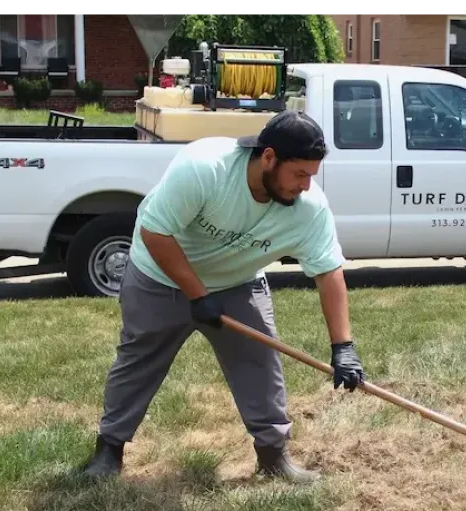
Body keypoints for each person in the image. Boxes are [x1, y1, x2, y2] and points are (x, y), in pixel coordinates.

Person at [80, 110, 366, 483]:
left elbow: (328, 272)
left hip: (236, 283)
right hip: (158, 274)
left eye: (311, 176)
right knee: (139, 358)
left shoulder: (309, 210)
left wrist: (343, 346)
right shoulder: (205, 169)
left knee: (260, 364)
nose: (305, 186)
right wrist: (197, 295)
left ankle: (273, 457)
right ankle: (109, 450)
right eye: (299, 174)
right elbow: (155, 233)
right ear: (268, 157)